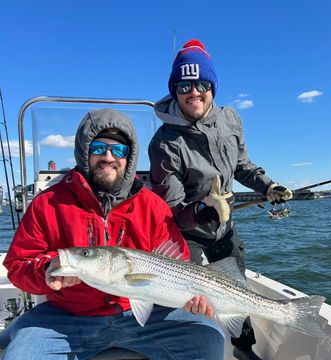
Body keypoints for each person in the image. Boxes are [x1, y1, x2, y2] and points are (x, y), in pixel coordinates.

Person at [0, 109, 224, 360]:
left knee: (209, 341)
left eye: (118, 151)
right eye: (98, 148)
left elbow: (178, 262)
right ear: (84, 151)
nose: (108, 157)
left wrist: (190, 298)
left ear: (129, 158)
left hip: (145, 314)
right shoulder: (47, 203)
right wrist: (46, 270)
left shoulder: (153, 206)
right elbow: (18, 266)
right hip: (65, 316)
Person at [148, 39, 293, 360]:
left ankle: (242, 350)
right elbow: (171, 209)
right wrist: (204, 208)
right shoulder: (164, 142)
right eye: (185, 85)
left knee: (237, 290)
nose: (194, 92)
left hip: (225, 229)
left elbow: (242, 165)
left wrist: (268, 187)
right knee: (193, 301)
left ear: (212, 87)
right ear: (175, 90)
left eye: (202, 83)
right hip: (188, 236)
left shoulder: (230, 120)